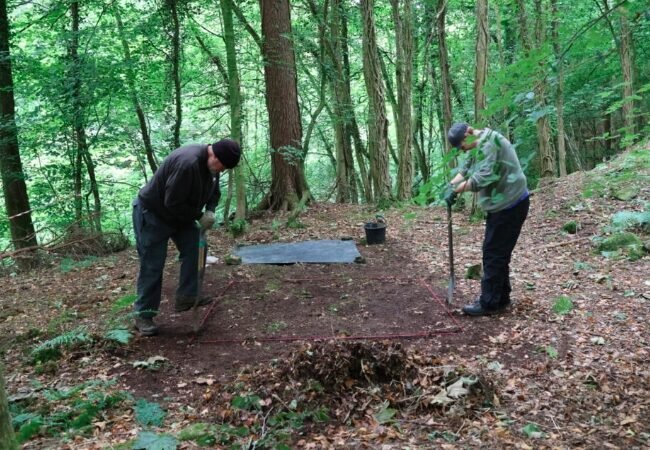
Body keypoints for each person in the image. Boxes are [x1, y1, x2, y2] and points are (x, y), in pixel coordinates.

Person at [132, 139, 241, 335]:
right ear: (214, 155)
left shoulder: (212, 167)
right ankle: (143, 314)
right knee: (153, 264)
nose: (221, 171)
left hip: (180, 215)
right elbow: (172, 202)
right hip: (154, 214)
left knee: (196, 247)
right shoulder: (187, 163)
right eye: (222, 166)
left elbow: (214, 192)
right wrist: (199, 216)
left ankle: (188, 295)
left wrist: (210, 210)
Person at [444, 123, 529, 316]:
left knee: (493, 253)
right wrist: (450, 185)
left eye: (461, 146)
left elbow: (482, 178)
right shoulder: (478, 144)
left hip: (511, 205)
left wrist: (457, 190)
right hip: (503, 206)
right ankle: (501, 297)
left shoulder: (490, 144)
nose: (462, 150)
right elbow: (465, 170)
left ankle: (489, 303)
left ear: (468, 135)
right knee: (497, 252)